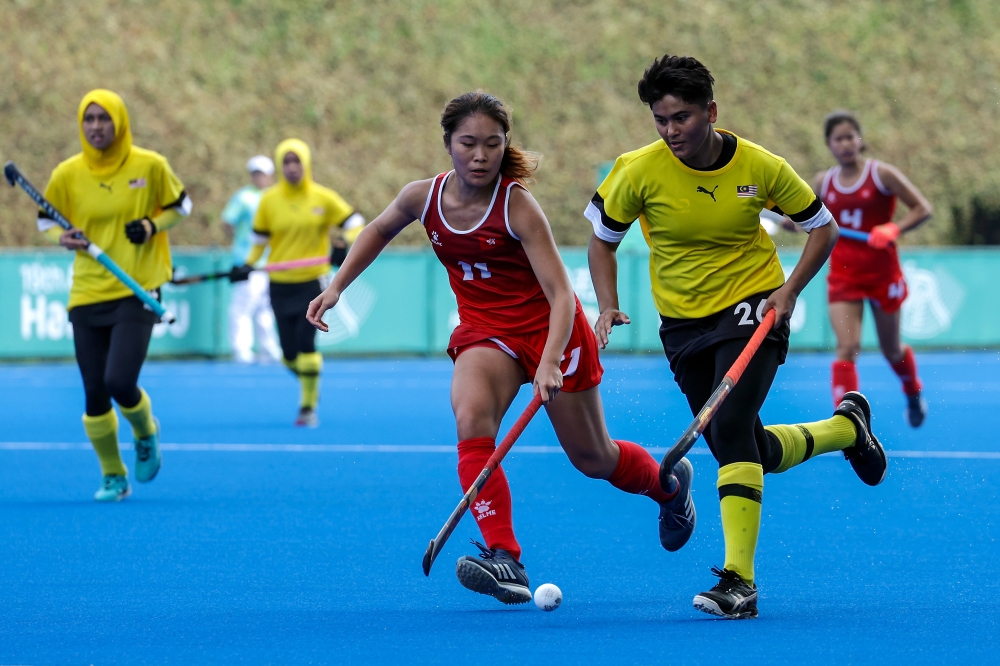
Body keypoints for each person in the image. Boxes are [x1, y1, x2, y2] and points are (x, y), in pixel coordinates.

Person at [306, 91, 697, 607]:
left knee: (592, 458)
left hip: (549, 331)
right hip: (487, 331)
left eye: (493, 144)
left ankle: (669, 487)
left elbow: (561, 295)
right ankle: (505, 557)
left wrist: (552, 361)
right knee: (471, 419)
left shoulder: (517, 206)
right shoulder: (421, 197)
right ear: (447, 143)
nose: (480, 155)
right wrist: (336, 287)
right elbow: (377, 231)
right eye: (468, 143)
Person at [587, 55, 887, 619]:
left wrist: (790, 291)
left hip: (755, 305)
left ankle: (739, 583)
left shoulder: (759, 166)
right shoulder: (637, 170)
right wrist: (607, 304)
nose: (672, 131)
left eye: (682, 117)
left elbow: (823, 227)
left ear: (711, 112)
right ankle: (846, 428)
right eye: (660, 120)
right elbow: (602, 241)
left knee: (726, 426)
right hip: (682, 324)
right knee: (739, 446)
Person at [37, 89, 191, 501]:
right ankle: (113, 476)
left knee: (120, 380)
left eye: (104, 119)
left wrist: (151, 225)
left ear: (119, 122)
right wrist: (61, 236)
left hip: (137, 286)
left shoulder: (151, 165)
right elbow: (43, 220)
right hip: (88, 289)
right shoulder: (67, 173)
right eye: (88, 120)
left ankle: (145, 430)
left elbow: (183, 205)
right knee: (94, 392)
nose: (96, 127)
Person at [816, 111, 933, 425]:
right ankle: (846, 423)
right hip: (843, 274)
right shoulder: (822, 183)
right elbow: (802, 217)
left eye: (850, 137)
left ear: (860, 140)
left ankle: (912, 389)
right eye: (838, 139)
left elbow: (923, 209)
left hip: (882, 275)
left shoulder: (882, 175)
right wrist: (790, 221)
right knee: (847, 347)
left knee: (891, 349)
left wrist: (894, 229)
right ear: (829, 144)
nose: (845, 144)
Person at [242, 139, 364, 427]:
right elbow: (259, 242)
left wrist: (343, 242)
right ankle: (311, 383)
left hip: (313, 281)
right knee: (288, 354)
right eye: (287, 162)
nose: (293, 168)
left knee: (306, 344)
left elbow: (356, 223)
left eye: (297, 162)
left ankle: (307, 407)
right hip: (279, 282)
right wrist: (247, 265)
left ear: (306, 164)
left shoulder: (322, 197)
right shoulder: (269, 201)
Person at [220, 155, 282, 364]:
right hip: (248, 263)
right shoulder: (244, 196)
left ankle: (269, 348)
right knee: (242, 308)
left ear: (270, 175)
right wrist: (239, 246)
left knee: (266, 308)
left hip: (272, 262)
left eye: (262, 173)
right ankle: (241, 350)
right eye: (255, 173)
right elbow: (228, 222)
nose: (259, 177)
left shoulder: (276, 196)